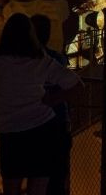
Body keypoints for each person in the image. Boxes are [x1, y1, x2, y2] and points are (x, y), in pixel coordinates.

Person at [0, 13, 82, 195]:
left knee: (11, 187)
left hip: (11, 132)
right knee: (38, 187)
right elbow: (77, 86)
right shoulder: (40, 61)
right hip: (42, 129)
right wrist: (52, 99)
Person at [31, 14, 72, 195]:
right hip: (57, 123)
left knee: (35, 176)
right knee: (56, 175)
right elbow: (73, 85)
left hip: (33, 124)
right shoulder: (57, 59)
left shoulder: (22, 62)